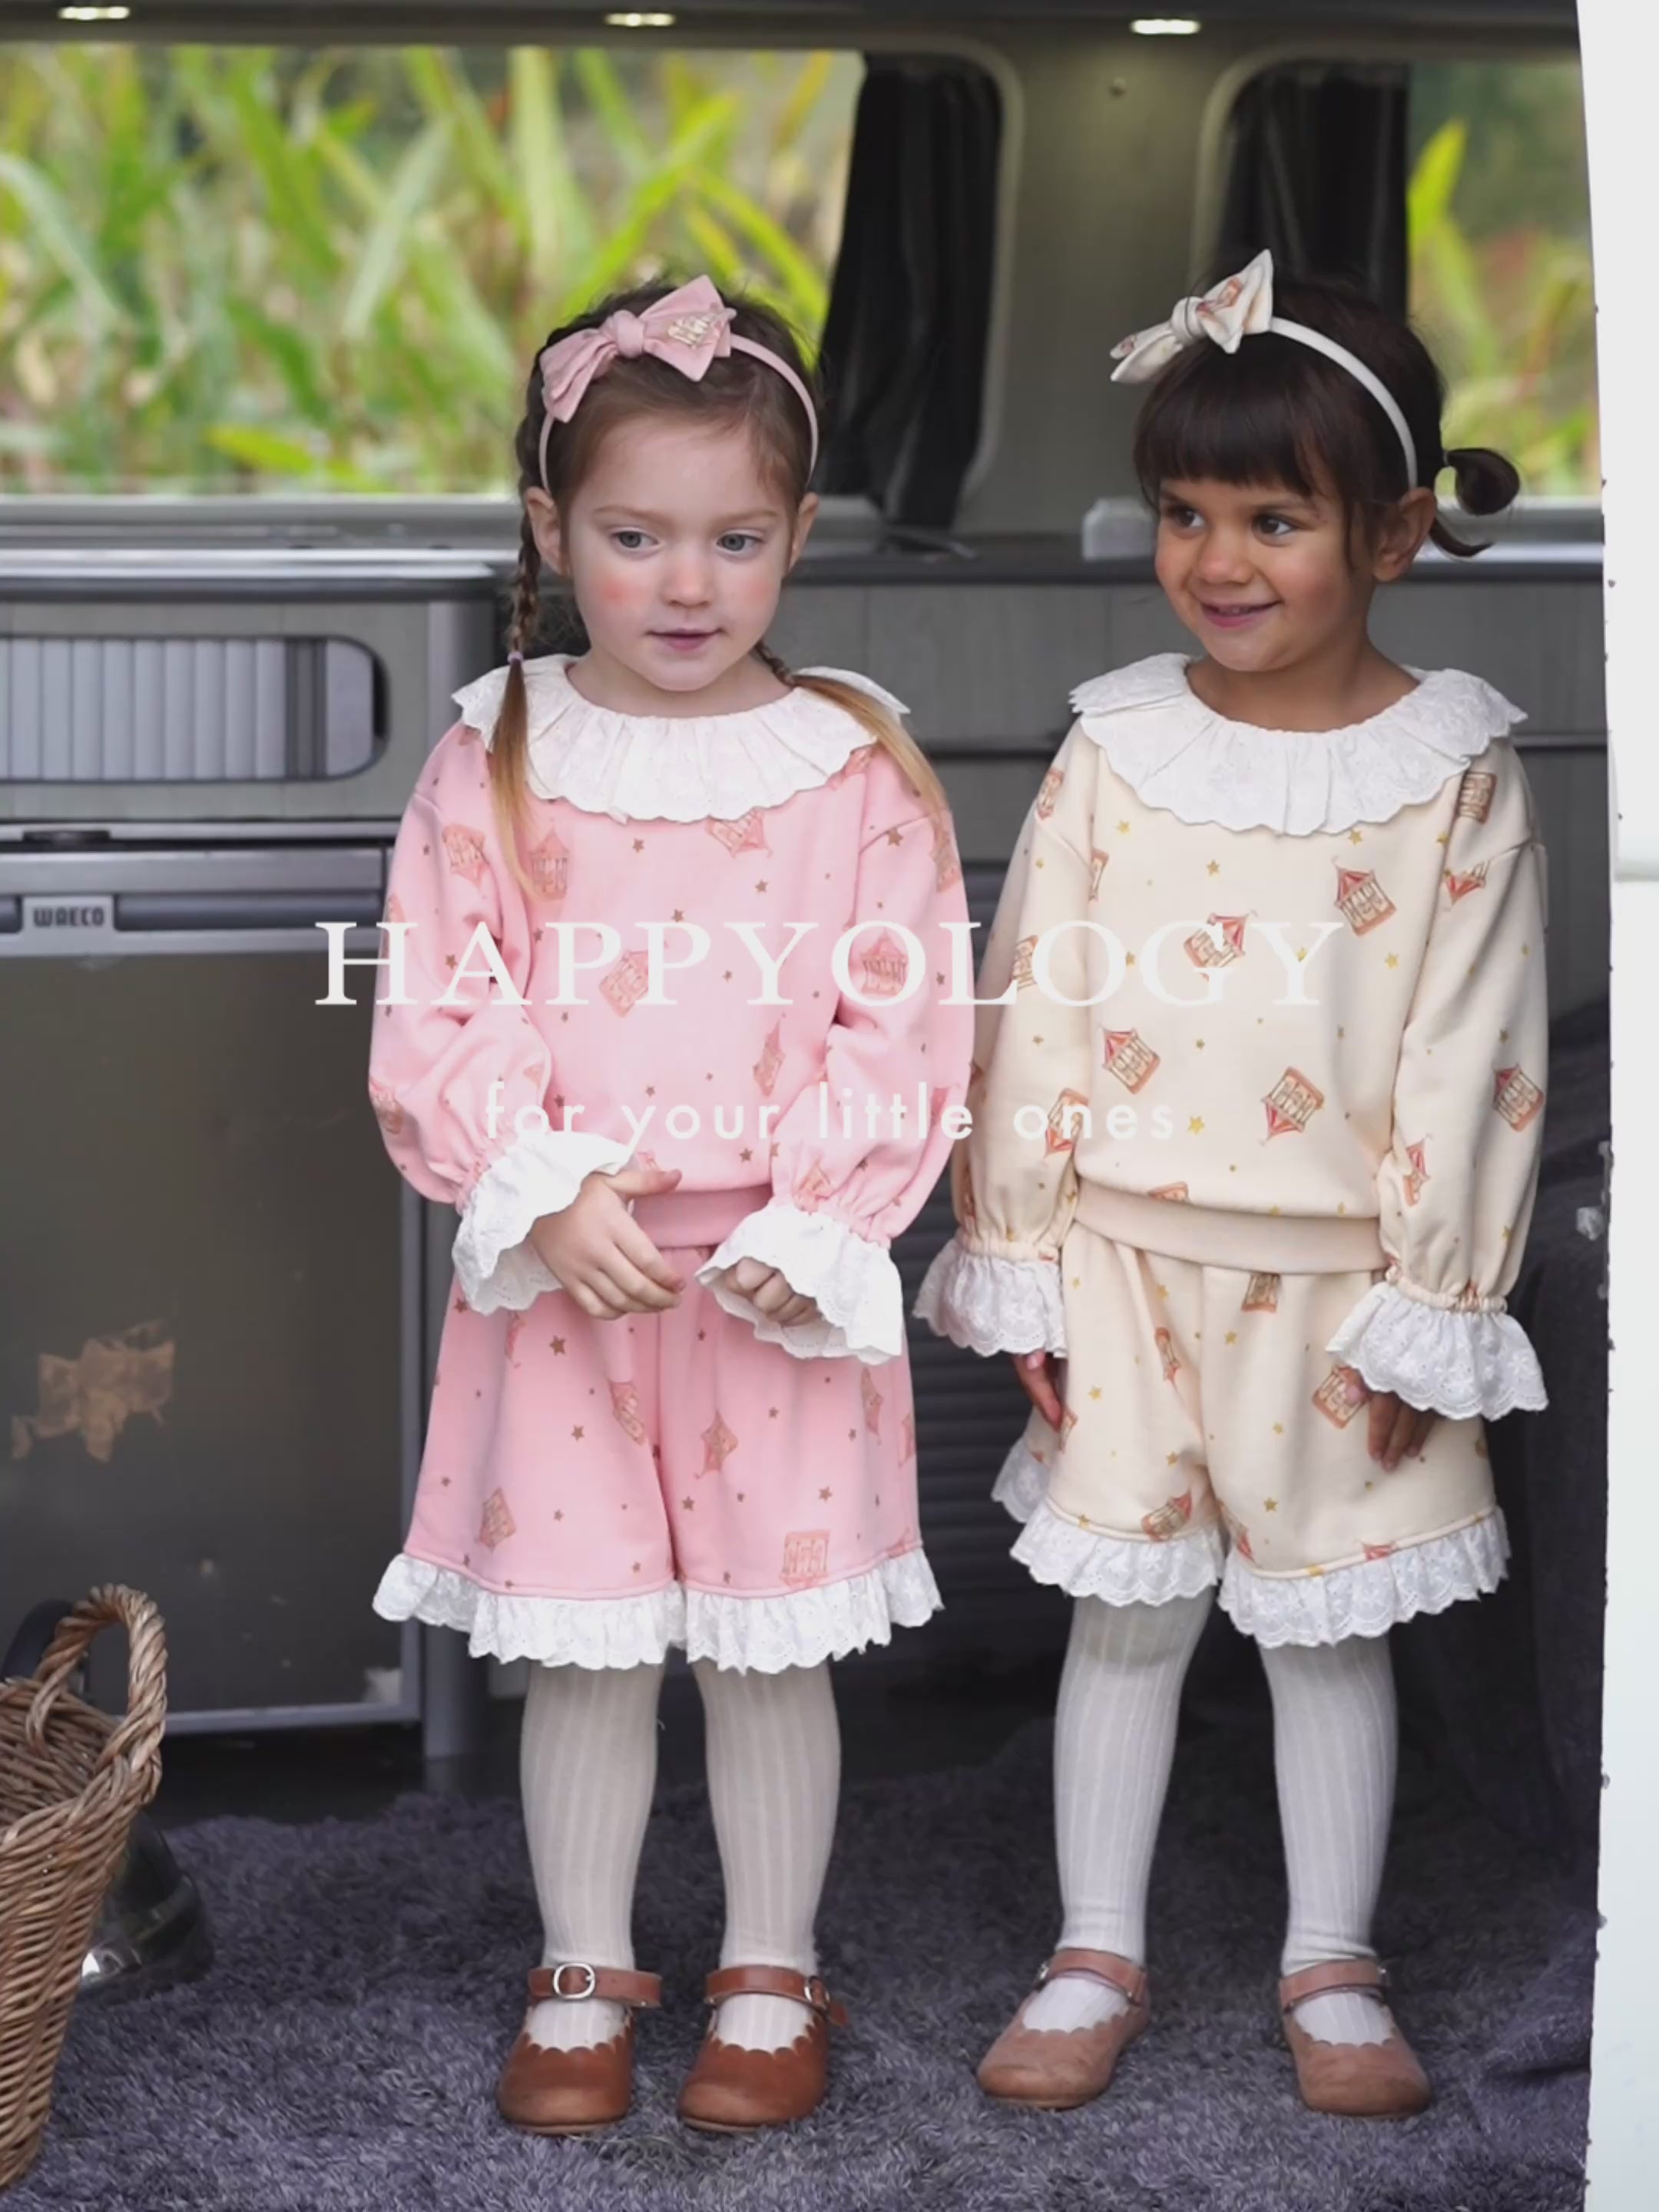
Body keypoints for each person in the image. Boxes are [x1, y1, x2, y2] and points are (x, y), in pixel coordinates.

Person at [917, 249, 1548, 2120]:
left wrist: (1432, 1306)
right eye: (1187, 513)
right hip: (1121, 1259)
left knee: (1325, 1627)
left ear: (1396, 532)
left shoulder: (1455, 772)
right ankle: (1092, 1949)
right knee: (1125, 1618)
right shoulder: (1119, 743)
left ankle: (1331, 1964)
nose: (1219, 558)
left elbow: (1476, 1051)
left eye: (1276, 519)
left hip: (1348, 1284)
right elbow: (1033, 993)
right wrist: (1017, 1250)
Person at [366, 275, 972, 2135]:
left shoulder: (856, 767)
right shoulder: (493, 751)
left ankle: (772, 1969)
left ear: (801, 532)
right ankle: (582, 1969)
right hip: (568, 1280)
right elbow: (441, 1001)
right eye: (635, 538)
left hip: (780, 1284)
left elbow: (906, 1012)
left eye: (735, 539)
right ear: (553, 530)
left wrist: (823, 1218)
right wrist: (540, 1193)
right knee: (589, 1648)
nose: (687, 584)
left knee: (770, 1655)